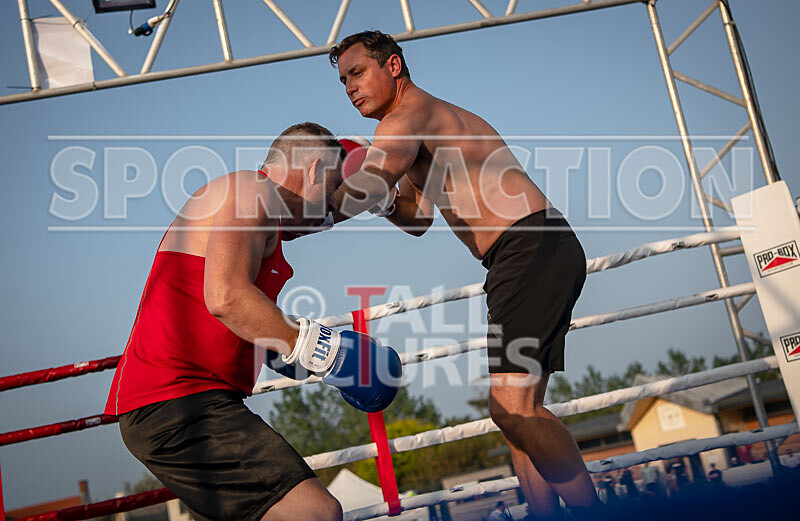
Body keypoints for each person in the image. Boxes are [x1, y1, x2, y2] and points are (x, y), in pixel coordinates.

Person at [327, 31, 594, 517]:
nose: (349, 87)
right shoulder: (418, 122)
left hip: (529, 247)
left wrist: (312, 200)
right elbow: (418, 218)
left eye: (357, 72)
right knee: (516, 416)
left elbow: (370, 181)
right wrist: (382, 198)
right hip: (527, 253)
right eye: (343, 80)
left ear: (393, 66)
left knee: (512, 409)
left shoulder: (407, 117)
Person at [103, 123, 402, 521]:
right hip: (178, 403)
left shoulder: (261, 214)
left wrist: (285, 352)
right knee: (315, 512)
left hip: (184, 401)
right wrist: (329, 354)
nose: (330, 203)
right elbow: (225, 297)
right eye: (330, 186)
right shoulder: (250, 191)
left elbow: (230, 309)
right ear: (313, 170)